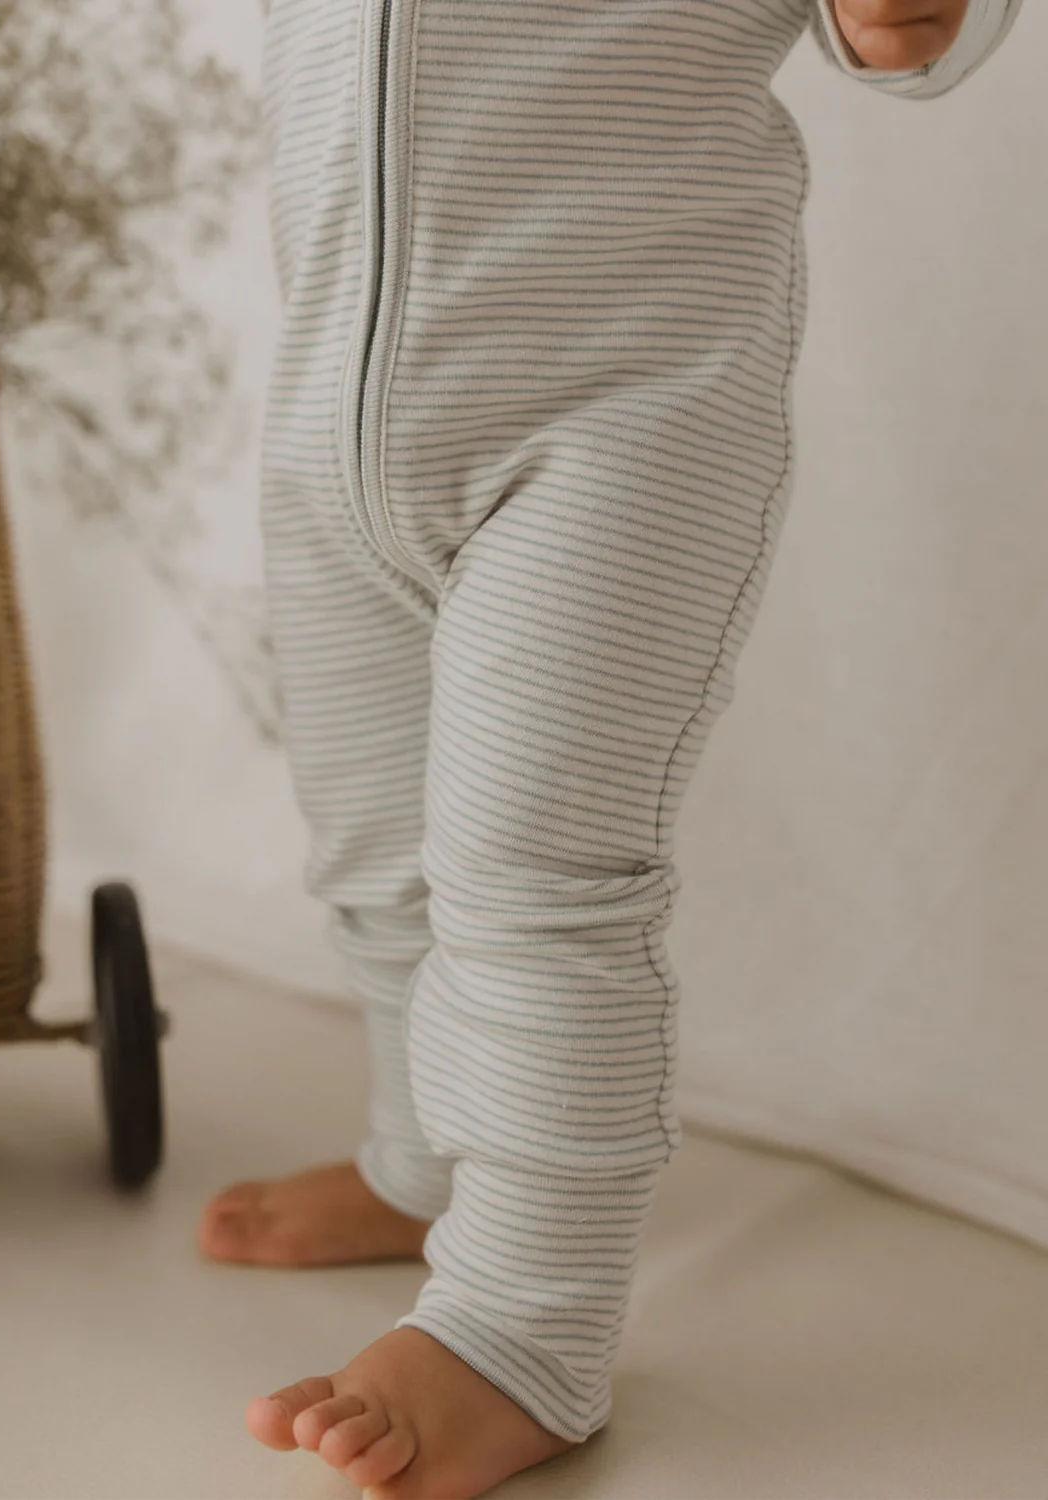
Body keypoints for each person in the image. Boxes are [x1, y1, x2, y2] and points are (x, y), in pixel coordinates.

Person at [198, 0, 1021, 1495]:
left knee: (530, 864)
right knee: (373, 848)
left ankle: (526, 1320)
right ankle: (425, 1156)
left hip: (625, 410)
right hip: (333, 412)